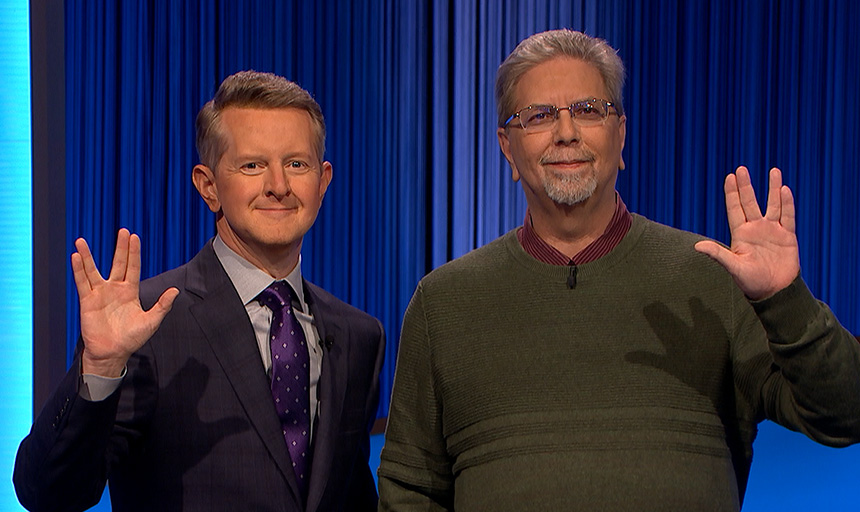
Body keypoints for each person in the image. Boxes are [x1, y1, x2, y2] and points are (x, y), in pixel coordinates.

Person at [377, 29, 860, 511]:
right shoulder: (442, 303)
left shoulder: (716, 280)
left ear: (621, 135)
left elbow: (844, 412)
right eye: (540, 116)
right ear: (507, 148)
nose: (566, 132)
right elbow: (409, 493)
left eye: (588, 110)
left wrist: (783, 299)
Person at [14, 71, 385, 512]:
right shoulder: (148, 323)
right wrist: (101, 367)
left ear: (322, 182)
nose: (279, 186)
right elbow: (49, 494)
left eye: (296, 164)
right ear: (208, 186)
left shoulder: (358, 335)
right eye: (252, 165)